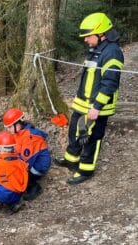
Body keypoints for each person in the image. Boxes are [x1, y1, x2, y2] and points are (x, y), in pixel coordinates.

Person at [55, 12, 124, 185]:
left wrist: (97, 106)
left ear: (101, 34)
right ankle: (71, 159)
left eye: (88, 36)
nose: (85, 40)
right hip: (83, 102)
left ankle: (86, 169)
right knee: (75, 130)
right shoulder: (95, 50)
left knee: (92, 137)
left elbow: (109, 83)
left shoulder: (112, 53)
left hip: (97, 106)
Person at [3, 108, 51, 201]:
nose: (8, 130)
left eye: (9, 127)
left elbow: (25, 160)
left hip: (38, 166)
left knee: (17, 171)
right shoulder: (19, 133)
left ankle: (33, 187)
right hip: (31, 161)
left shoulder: (30, 137)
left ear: (17, 123)